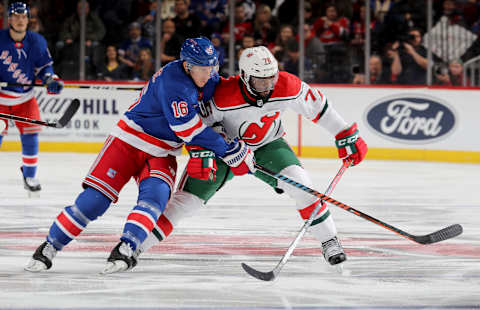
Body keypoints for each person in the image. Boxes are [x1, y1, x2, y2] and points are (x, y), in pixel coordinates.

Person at [24, 37, 256, 274]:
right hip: (129, 141)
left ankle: (126, 247)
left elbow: (229, 97)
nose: (210, 73)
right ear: (187, 65)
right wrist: (229, 150)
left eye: (212, 66)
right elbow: (188, 130)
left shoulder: (206, 78)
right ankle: (49, 247)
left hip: (163, 151)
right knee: (95, 200)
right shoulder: (173, 82)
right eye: (203, 68)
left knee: (155, 199)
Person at [136, 46, 368, 269]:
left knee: (302, 185)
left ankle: (330, 240)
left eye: (271, 79)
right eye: (260, 81)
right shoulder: (222, 95)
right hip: (224, 151)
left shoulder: (287, 85)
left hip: (267, 146)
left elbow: (319, 107)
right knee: (185, 203)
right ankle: (133, 247)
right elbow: (198, 125)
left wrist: (344, 132)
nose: (268, 87)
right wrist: (202, 152)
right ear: (245, 76)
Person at [0, 2, 64, 197]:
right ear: (9, 19)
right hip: (1, 99)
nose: (20, 20)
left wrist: (50, 80)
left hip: (25, 98)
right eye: (16, 16)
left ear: (28, 20)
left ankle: (29, 175)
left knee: (30, 134)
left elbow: (45, 68)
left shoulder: (36, 41)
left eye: (24, 16)